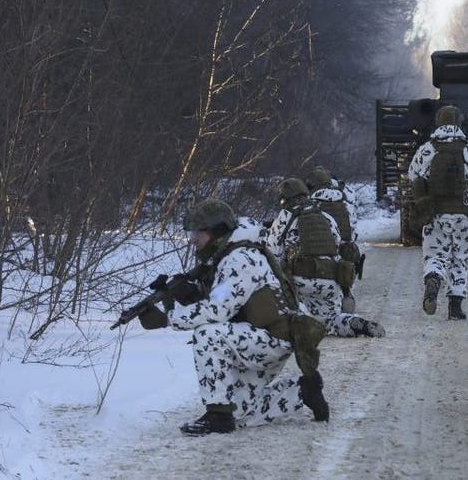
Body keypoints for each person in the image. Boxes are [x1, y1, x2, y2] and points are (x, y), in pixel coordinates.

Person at [156, 200, 330, 435]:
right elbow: (223, 301)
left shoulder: (240, 258)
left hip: (270, 339)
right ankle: (301, 392)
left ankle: (217, 416)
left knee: (208, 335)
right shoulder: (233, 253)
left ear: (217, 231)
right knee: (239, 411)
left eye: (199, 232)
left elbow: (218, 311)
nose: (193, 239)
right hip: (264, 338)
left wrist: (169, 317)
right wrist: (184, 296)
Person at [266, 178, 383, 338]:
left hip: (299, 283)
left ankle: (301, 322)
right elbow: (337, 245)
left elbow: (272, 253)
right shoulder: (326, 217)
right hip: (330, 281)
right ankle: (351, 323)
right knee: (331, 319)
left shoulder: (285, 217)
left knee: (289, 311)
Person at [406, 105, 468, 320]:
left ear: (439, 122)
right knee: (459, 259)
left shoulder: (427, 149)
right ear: (459, 123)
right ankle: (455, 307)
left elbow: (412, 176)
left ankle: (433, 282)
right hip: (465, 216)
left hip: (435, 215)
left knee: (435, 256)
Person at [307, 166, 362, 313]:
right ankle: (346, 293)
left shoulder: (310, 205)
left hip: (320, 257)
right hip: (345, 256)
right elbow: (353, 232)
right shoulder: (345, 203)